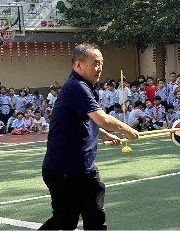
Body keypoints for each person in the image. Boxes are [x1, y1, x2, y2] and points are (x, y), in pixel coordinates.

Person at [41, 43, 139, 230]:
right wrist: (127, 129)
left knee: (95, 217)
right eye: (95, 63)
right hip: (63, 169)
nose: (100, 68)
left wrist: (103, 135)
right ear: (78, 65)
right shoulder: (76, 87)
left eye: (101, 63)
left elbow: (88, 122)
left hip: (85, 167)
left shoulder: (88, 86)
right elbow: (101, 119)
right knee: (64, 222)